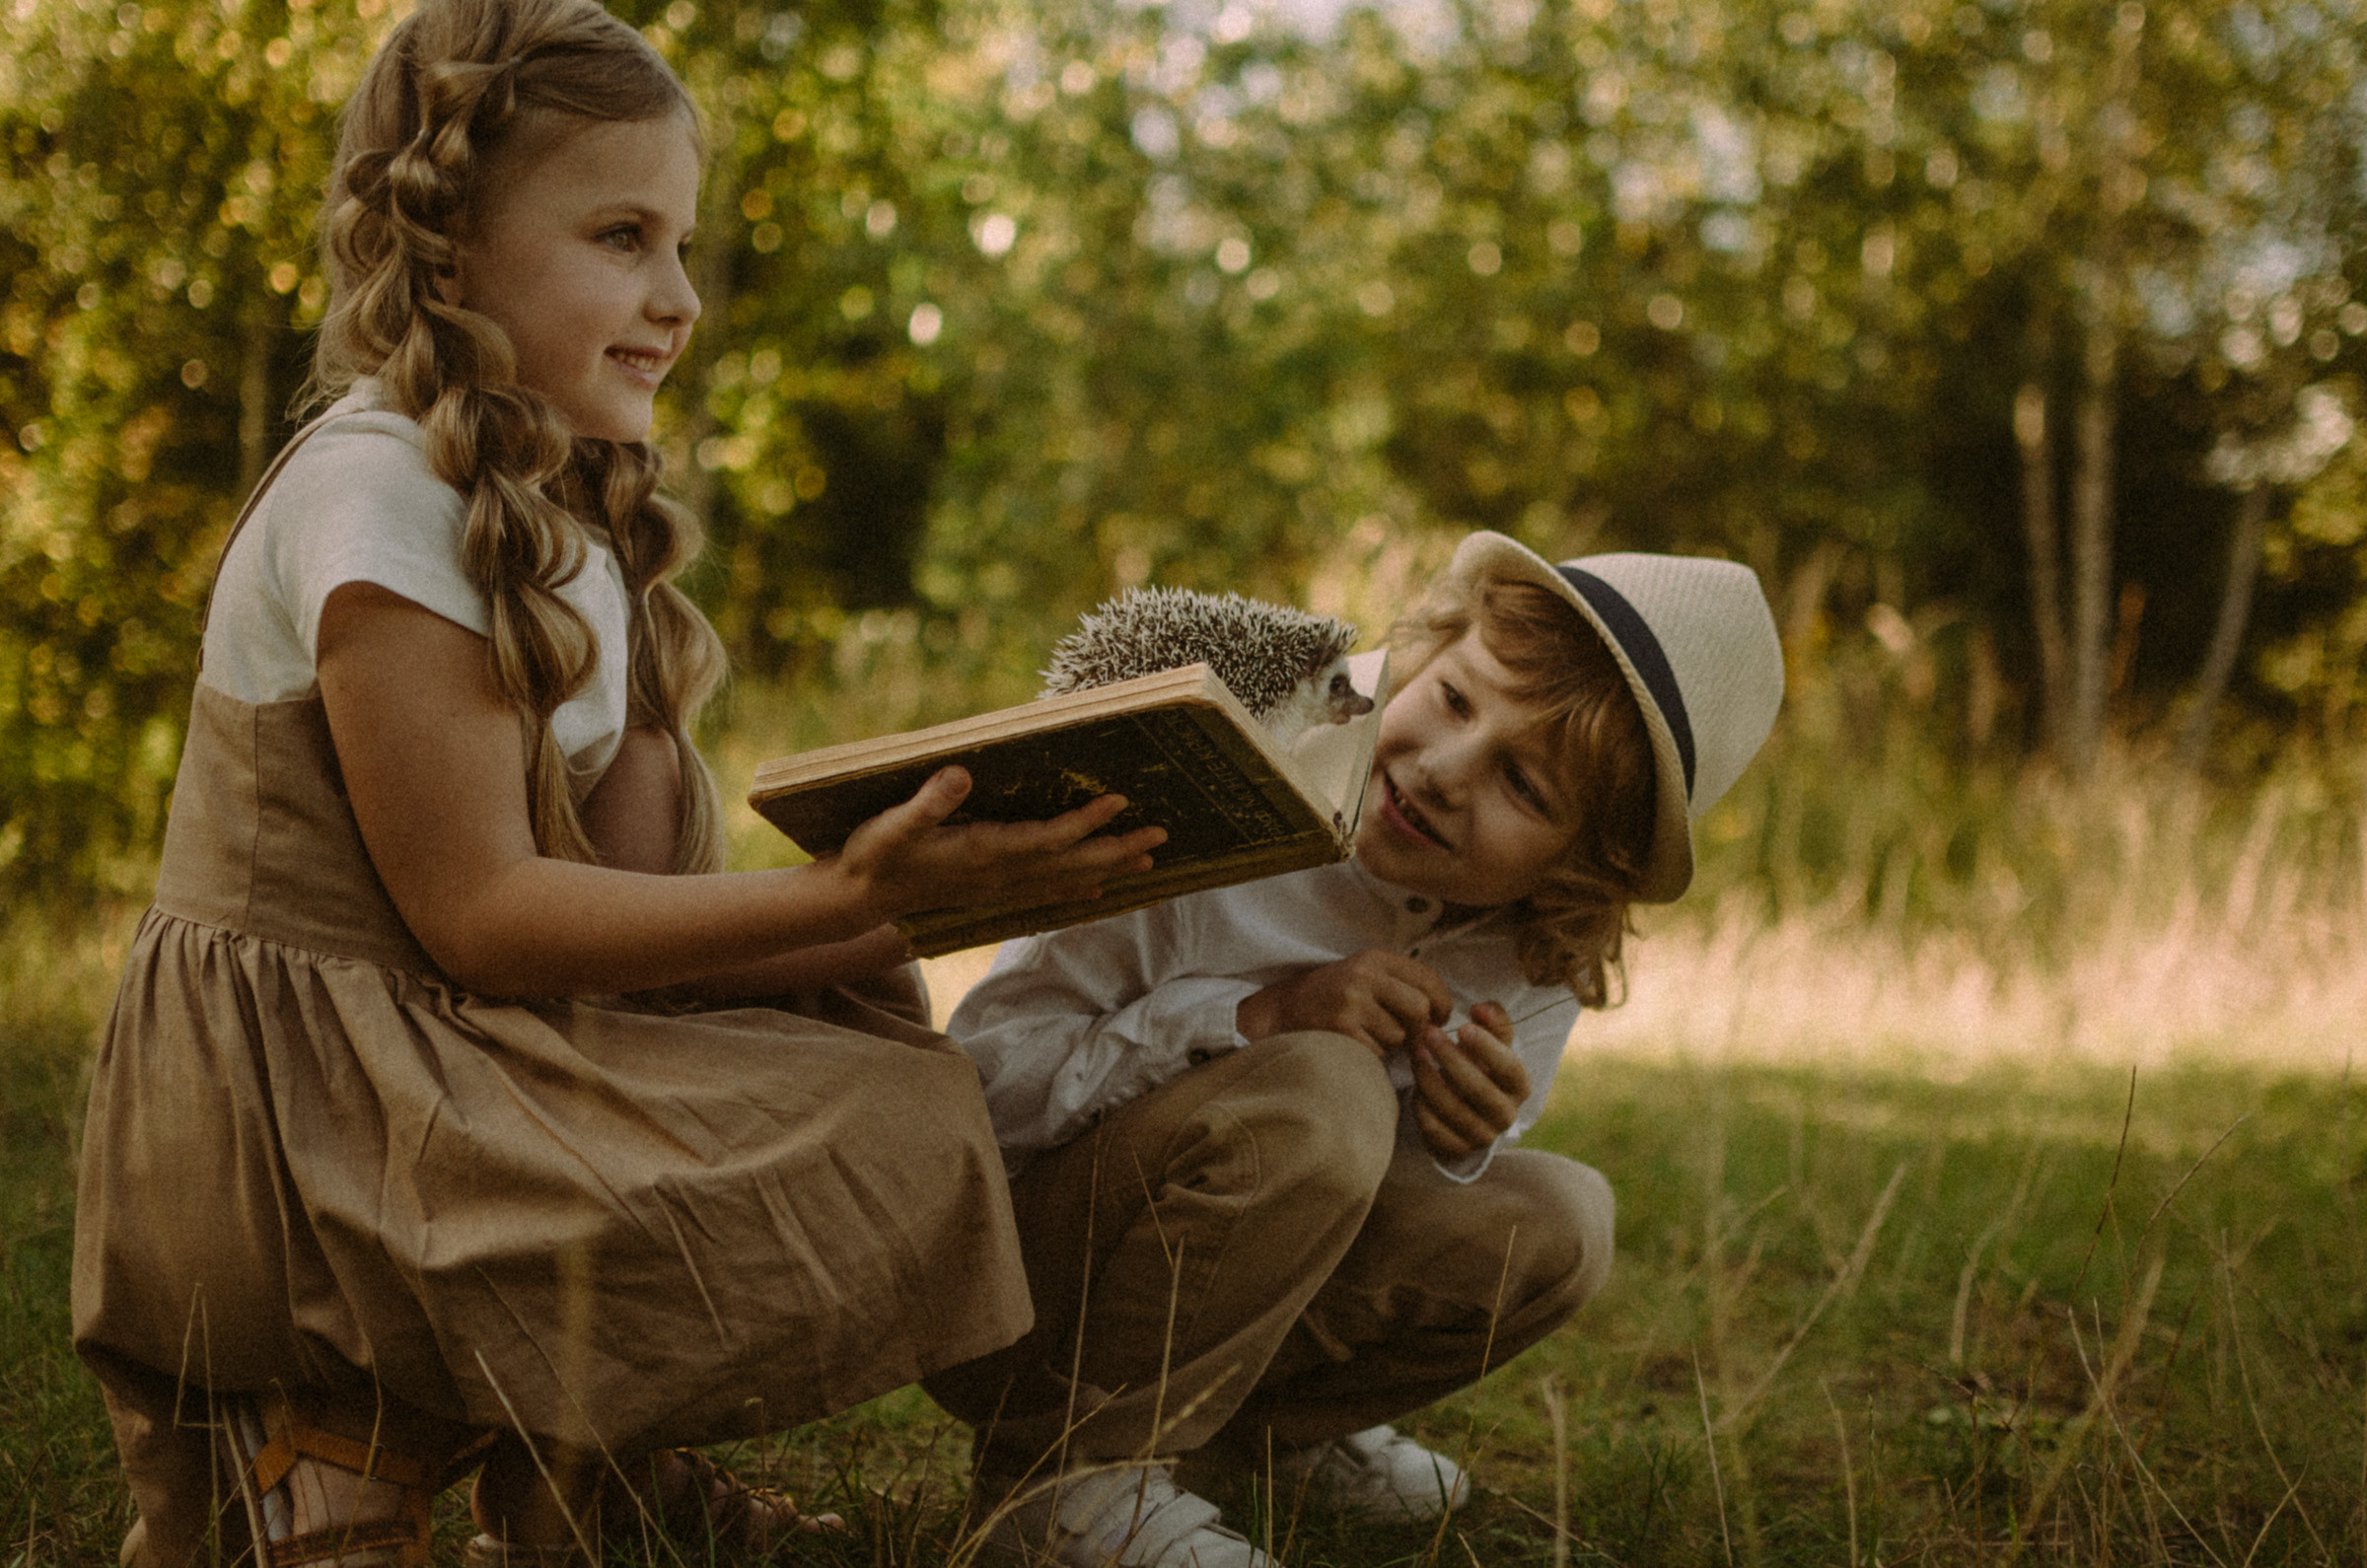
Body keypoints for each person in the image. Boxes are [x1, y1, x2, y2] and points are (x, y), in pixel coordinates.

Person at [67, 3, 1167, 1565]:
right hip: (308, 1120)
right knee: (889, 1127)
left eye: (681, 245)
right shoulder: (379, 490)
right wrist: (848, 894)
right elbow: (485, 919)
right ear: (446, 252)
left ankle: (573, 1459)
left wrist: (930, 903)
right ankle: (332, 1415)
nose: (676, 300)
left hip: (447, 1060)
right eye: (621, 237)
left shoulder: (545, 511)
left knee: (896, 1083)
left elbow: (633, 931)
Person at [927, 532, 1784, 1567]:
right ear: (1428, 648)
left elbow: (1370, 1195)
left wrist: (1458, 1138)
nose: (1443, 769)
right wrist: (1253, 1020)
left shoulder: (1528, 950)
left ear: (1576, 870)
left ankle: (1268, 1438)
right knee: (1325, 1086)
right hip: (1013, 1292)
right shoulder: (1226, 784)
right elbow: (983, 1091)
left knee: (1560, 1220)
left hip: (1212, 1298)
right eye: (1458, 699)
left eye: (1525, 786)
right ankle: (1059, 1486)